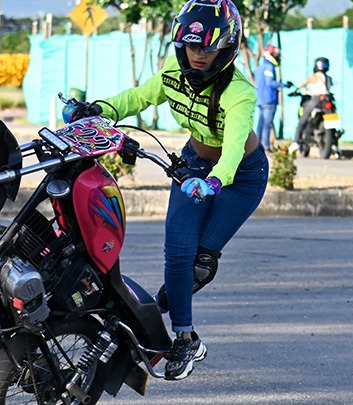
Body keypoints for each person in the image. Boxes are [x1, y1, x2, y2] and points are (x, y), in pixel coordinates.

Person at [75, 0, 269, 381]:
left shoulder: (239, 92)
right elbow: (138, 98)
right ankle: (185, 337)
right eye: (191, 45)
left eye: (208, 47)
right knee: (178, 253)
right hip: (193, 165)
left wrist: (215, 180)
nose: (198, 55)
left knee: (200, 262)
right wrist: (97, 110)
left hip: (241, 177)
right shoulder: (173, 70)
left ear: (227, 49)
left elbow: (232, 148)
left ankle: (173, 295)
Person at [253, 45, 292, 152]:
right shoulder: (269, 67)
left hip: (261, 99)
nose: (277, 57)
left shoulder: (259, 67)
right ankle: (265, 146)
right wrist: (284, 85)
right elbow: (270, 82)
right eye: (275, 54)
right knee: (266, 124)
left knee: (260, 124)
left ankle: (256, 146)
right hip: (269, 100)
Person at [293, 57, 333, 145]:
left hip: (317, 100)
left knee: (302, 120)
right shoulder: (329, 78)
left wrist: (296, 90)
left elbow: (303, 85)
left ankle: (295, 141)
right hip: (328, 99)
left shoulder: (314, 77)